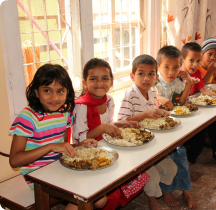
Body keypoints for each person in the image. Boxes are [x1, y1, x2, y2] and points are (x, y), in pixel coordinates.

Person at [8, 64, 103, 210]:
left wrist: (81, 145)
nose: (54, 97)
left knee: (101, 199)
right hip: (37, 176)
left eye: (60, 91)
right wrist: (50, 147)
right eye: (47, 90)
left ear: (67, 93)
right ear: (36, 92)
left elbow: (63, 147)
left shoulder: (64, 113)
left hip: (58, 167)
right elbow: (14, 160)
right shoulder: (27, 117)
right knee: (84, 202)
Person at [72, 58, 144, 210]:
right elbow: (79, 139)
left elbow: (108, 123)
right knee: (111, 193)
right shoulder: (81, 106)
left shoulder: (109, 101)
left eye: (105, 78)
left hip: (105, 148)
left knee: (134, 170)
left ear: (111, 82)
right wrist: (102, 128)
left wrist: (121, 124)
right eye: (93, 79)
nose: (100, 83)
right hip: (86, 154)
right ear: (85, 82)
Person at [117, 54, 178, 210]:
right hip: (134, 146)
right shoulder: (129, 95)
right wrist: (145, 115)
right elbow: (122, 122)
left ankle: (165, 191)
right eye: (141, 73)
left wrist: (159, 113)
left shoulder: (152, 92)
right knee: (153, 177)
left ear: (156, 77)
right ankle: (152, 198)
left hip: (150, 142)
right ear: (132, 76)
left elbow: (150, 112)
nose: (146, 78)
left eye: (151, 74)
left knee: (171, 168)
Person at [155, 46, 198, 209]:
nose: (171, 72)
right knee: (170, 158)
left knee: (181, 156)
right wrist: (159, 98)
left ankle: (186, 189)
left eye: (175, 67)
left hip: (173, 128)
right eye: (166, 67)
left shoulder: (179, 81)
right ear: (158, 67)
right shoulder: (155, 82)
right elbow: (148, 96)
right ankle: (167, 190)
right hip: (158, 130)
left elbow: (181, 103)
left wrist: (187, 84)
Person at [181, 41, 216, 168]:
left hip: (200, 108)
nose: (195, 64)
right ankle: (189, 159)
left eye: (197, 61)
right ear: (183, 59)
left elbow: (203, 89)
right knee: (199, 135)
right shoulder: (180, 75)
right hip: (187, 111)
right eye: (191, 60)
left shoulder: (196, 72)